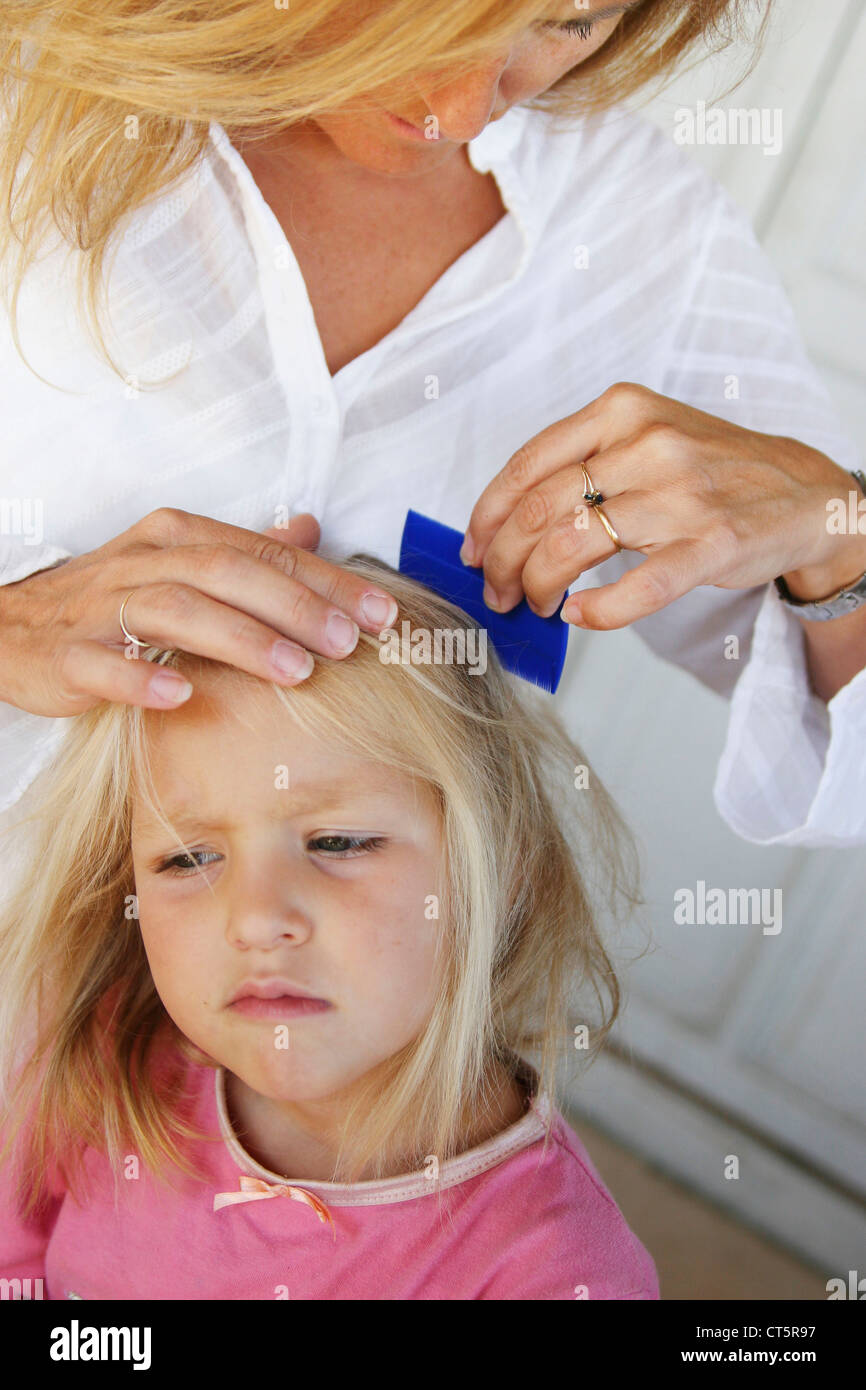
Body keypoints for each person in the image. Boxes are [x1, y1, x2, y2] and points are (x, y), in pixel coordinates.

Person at [0, 0, 864, 856]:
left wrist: (836, 536)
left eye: (571, 22)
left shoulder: (645, 238)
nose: (460, 110)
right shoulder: (29, 83)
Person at [0, 556, 656, 1301]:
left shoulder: (557, 1270)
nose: (255, 919)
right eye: (188, 858)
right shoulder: (92, 1057)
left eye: (337, 843)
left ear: (502, 872)